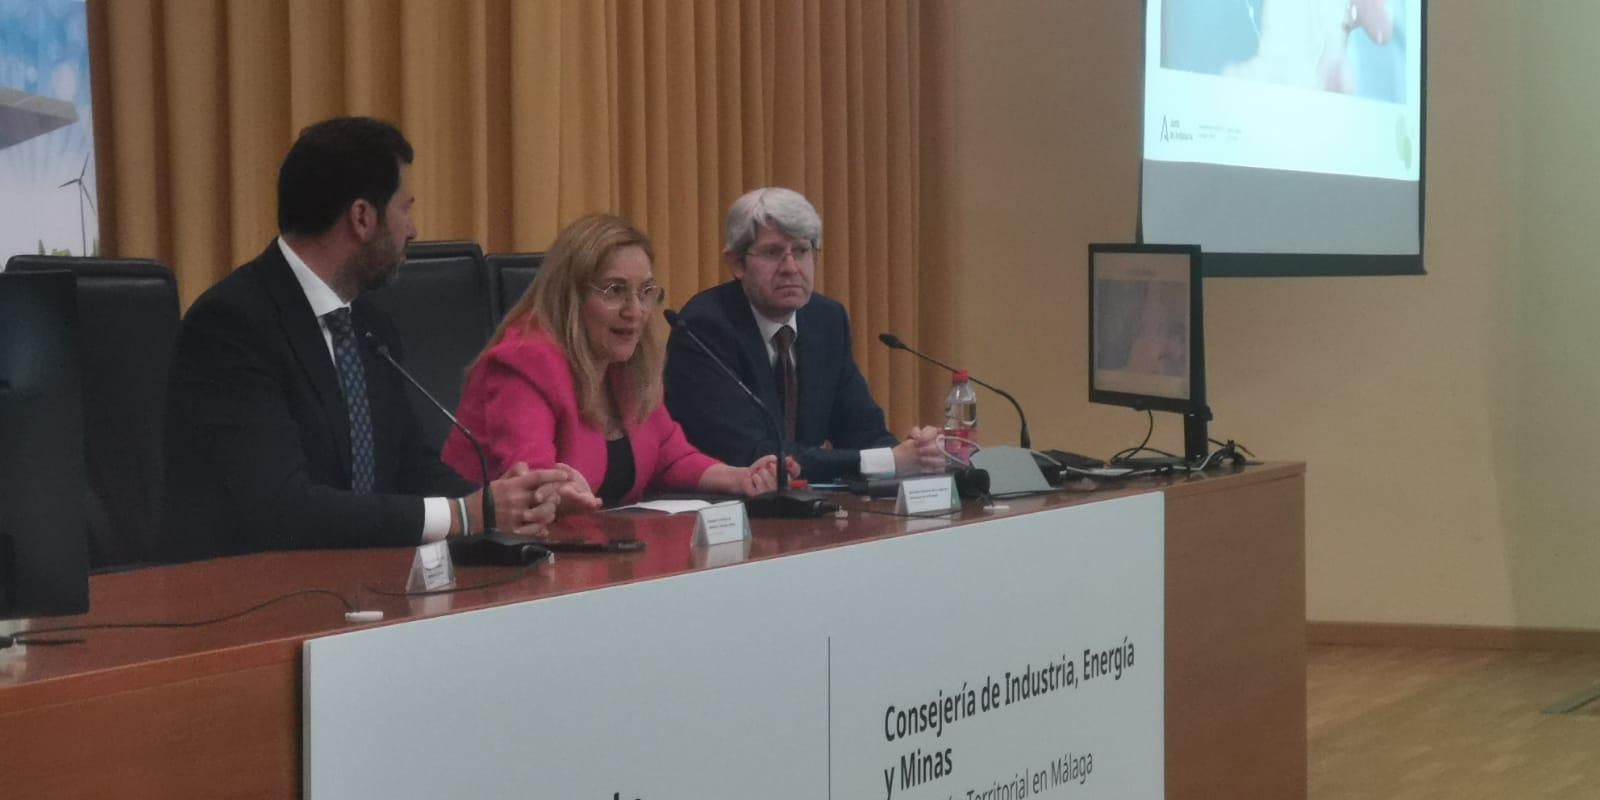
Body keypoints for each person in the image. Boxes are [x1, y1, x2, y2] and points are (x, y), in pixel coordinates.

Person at [162, 117, 587, 561]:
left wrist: (510, 502)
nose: (413, 229)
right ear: (363, 217)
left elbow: (410, 465)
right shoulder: (233, 325)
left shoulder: (369, 323)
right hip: (245, 595)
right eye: (406, 208)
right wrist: (464, 514)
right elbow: (279, 509)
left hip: (361, 585)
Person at [442, 213, 786, 506]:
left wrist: (741, 478)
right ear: (571, 297)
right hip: (500, 565)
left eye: (645, 292)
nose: (634, 311)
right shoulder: (524, 365)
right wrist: (561, 492)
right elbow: (530, 484)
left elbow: (671, 456)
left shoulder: (626, 367)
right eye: (615, 291)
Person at [664, 187, 944, 484]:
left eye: (801, 250)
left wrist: (916, 452)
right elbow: (755, 454)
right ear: (737, 264)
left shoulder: (826, 320)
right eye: (773, 253)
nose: (791, 268)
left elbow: (862, 430)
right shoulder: (705, 327)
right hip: (724, 511)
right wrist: (889, 460)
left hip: (805, 509)